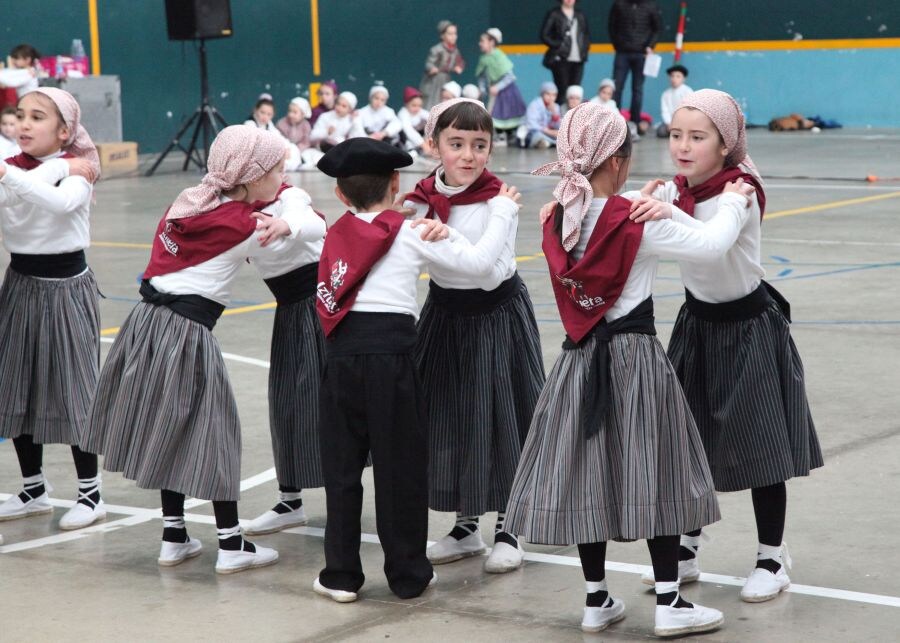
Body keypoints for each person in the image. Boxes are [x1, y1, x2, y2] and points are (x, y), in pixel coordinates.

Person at [507, 103, 757, 636]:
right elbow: (713, 247)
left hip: (577, 359)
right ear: (619, 161)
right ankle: (670, 602)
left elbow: (594, 210)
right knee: (657, 466)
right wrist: (733, 203)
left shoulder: (555, 216)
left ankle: (597, 599)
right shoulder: (634, 220)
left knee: (587, 473)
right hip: (634, 358)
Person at [629, 89, 823, 603]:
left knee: (762, 444)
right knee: (686, 440)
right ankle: (689, 545)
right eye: (675, 135)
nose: (683, 146)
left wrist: (663, 212)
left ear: (726, 142)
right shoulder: (675, 191)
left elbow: (710, 241)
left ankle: (771, 557)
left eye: (698, 137)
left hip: (749, 326)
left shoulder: (740, 192)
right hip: (697, 325)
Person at [312, 137, 521, 602]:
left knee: (342, 471)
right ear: (395, 182)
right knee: (399, 469)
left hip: (340, 360)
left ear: (341, 195)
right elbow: (482, 266)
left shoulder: (333, 234)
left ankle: (341, 575)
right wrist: (500, 213)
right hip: (392, 362)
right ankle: (408, 574)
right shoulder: (410, 232)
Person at [81, 126, 298, 574]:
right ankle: (232, 543)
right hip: (185, 334)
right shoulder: (246, 226)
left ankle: (174, 535)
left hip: (144, 325)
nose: (284, 176)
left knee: (169, 425)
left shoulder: (190, 199)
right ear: (252, 175)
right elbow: (303, 230)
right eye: (277, 170)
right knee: (215, 432)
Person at [404, 98, 544, 574]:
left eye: (479, 145)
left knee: (504, 416)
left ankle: (510, 525)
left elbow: (487, 270)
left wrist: (465, 233)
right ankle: (466, 526)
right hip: (444, 315)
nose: (468, 155)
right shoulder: (420, 198)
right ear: (434, 145)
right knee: (452, 417)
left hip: (495, 315)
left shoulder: (499, 201)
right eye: (456, 143)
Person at [0, 88, 105, 531]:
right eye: (20, 115)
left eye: (37, 117)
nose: (23, 124)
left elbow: (61, 203)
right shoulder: (24, 169)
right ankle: (33, 489)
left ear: (64, 131)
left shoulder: (80, 172)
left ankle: (91, 494)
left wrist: (55, 168)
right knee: (15, 383)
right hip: (20, 283)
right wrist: (49, 168)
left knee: (74, 388)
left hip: (66, 288)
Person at [244, 184, 328, 536]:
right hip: (290, 314)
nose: (282, 175)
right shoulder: (235, 214)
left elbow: (313, 223)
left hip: (324, 310)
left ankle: (345, 496)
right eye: (271, 170)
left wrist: (285, 225)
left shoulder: (290, 197)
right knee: (286, 404)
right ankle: (289, 500)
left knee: (331, 404)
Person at [608, 0, 661, 139]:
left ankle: (635, 121)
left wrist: (650, 46)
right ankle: (615, 123)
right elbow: (612, 26)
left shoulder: (650, 5)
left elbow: (656, 28)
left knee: (637, 89)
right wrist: (618, 45)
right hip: (622, 53)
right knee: (617, 87)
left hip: (641, 54)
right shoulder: (619, 4)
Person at [476, 28, 527, 146]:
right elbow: (482, 76)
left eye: (483, 41)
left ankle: (508, 136)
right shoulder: (483, 58)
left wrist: (498, 87)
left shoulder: (498, 56)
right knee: (491, 113)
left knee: (504, 113)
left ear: (492, 42)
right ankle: (496, 136)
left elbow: (510, 76)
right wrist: (482, 89)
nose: (480, 44)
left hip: (506, 92)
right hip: (493, 91)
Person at [540, 0, 590, 105]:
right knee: (562, 90)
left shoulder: (580, 15)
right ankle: (561, 118)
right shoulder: (554, 14)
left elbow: (585, 35)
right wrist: (557, 45)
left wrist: (584, 51)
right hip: (561, 58)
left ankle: (575, 118)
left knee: (575, 91)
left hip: (578, 59)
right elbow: (544, 35)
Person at [420, 20, 466, 110]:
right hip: (434, 80)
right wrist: (432, 68)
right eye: (450, 34)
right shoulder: (437, 49)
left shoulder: (455, 51)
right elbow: (429, 63)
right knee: (433, 100)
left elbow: (460, 61)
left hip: (446, 79)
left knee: (445, 99)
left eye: (455, 34)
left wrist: (458, 67)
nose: (453, 37)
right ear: (442, 35)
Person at [656, 64, 693, 138]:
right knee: (660, 131)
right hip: (672, 122)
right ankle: (677, 133)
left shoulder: (688, 91)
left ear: (683, 79)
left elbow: (690, 109)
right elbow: (665, 110)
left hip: (685, 121)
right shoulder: (666, 94)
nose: (674, 79)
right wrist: (668, 123)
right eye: (672, 76)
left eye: (678, 76)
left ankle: (679, 133)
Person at [524, 82, 561, 149]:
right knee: (535, 135)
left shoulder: (556, 107)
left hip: (548, 132)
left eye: (553, 95)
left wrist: (554, 114)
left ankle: (547, 142)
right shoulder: (535, 105)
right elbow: (531, 124)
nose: (551, 97)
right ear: (542, 94)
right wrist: (546, 131)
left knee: (561, 134)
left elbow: (556, 125)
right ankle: (543, 142)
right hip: (535, 131)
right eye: (548, 94)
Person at [397, 87, 427, 154]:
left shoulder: (420, 112)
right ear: (406, 104)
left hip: (417, 142)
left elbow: (431, 117)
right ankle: (411, 150)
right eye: (414, 105)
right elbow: (409, 131)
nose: (417, 108)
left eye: (419, 106)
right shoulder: (403, 114)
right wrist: (423, 145)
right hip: (404, 143)